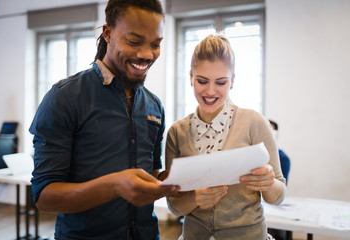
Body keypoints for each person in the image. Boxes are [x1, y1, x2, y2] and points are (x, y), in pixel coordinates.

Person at [29, 0, 179, 239]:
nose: (146, 55)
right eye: (134, 41)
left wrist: (173, 179)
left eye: (156, 44)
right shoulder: (65, 97)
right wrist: (114, 185)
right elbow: (44, 196)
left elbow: (150, 175)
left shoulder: (154, 106)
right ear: (108, 33)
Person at [165, 35, 286, 240]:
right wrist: (195, 198)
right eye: (202, 81)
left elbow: (278, 196)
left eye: (220, 82)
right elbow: (174, 206)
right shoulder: (177, 133)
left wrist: (269, 183)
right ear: (190, 77)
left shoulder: (254, 122)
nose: (210, 91)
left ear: (232, 81)